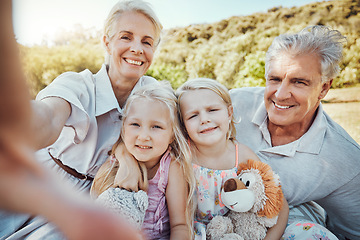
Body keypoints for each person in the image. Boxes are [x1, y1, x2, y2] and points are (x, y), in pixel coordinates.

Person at [0, 0, 163, 239]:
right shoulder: (78, 84)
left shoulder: (153, 93)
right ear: (107, 42)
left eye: (147, 42)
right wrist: (16, 128)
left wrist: (125, 155)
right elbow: (48, 118)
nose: (137, 48)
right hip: (43, 178)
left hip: (97, 196)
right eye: (126, 37)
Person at [230, 25, 360, 240]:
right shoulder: (231, 104)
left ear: (324, 88)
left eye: (299, 82)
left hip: (286, 222)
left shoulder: (346, 160)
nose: (280, 95)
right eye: (275, 79)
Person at [176, 78, 289, 240]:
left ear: (229, 113)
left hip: (234, 232)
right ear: (183, 126)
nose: (204, 119)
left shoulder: (242, 156)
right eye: (193, 115)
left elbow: (280, 204)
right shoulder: (182, 157)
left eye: (212, 110)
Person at [91, 82, 195, 240]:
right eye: (135, 124)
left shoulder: (171, 167)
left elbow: (180, 225)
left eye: (156, 127)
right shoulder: (114, 164)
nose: (144, 136)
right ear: (124, 127)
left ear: (172, 135)